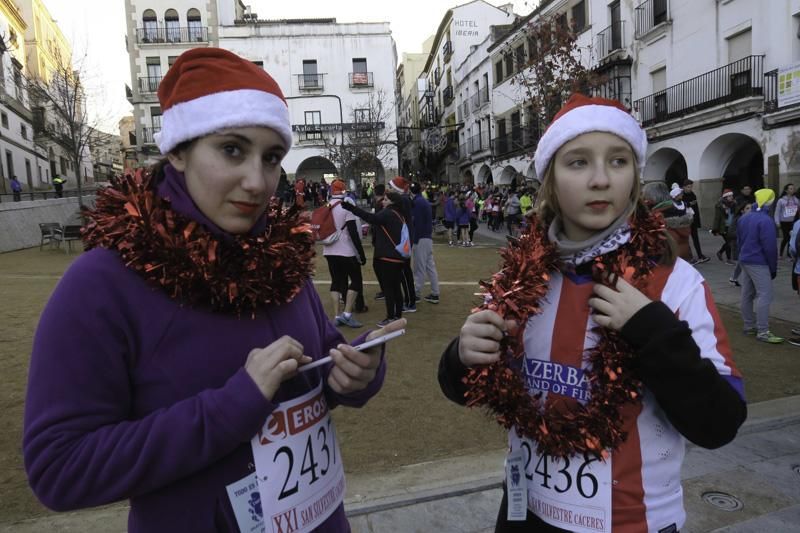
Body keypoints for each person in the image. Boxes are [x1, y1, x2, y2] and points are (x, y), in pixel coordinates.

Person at [23, 48, 404, 533]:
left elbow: (314, 373)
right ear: (178, 150)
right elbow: (60, 468)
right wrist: (232, 405)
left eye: (271, 158)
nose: (257, 181)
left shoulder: (283, 261)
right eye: (232, 150)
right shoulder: (101, 284)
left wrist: (351, 374)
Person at [438, 94, 745, 532]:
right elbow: (464, 389)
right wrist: (460, 355)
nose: (600, 179)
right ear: (550, 181)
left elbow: (719, 423)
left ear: (635, 176)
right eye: (578, 162)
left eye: (618, 161)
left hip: (633, 522)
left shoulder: (677, 283)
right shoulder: (520, 278)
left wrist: (653, 330)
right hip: (527, 515)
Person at [341, 190, 409, 326]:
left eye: (385, 199)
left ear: (392, 202)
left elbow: (370, 218)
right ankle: (398, 316)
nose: (382, 202)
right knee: (396, 287)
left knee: (389, 289)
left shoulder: (387, 213)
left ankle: (390, 317)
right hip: (398, 256)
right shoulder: (398, 214)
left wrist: (351, 208)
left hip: (387, 257)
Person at [737, 188, 783, 343]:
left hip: (745, 259)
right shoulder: (766, 220)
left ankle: (749, 326)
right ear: (770, 201)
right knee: (765, 295)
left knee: (747, 294)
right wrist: (773, 267)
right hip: (759, 261)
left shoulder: (745, 218)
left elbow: (740, 240)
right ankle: (763, 331)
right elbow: (770, 247)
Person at [323, 178, 367, 328]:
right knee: (355, 280)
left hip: (328, 250)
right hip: (346, 250)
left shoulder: (327, 206)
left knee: (336, 281)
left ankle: (337, 315)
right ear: (344, 191)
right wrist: (361, 253)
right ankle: (347, 314)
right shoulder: (346, 207)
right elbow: (354, 233)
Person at [410, 181, 440, 304]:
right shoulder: (423, 201)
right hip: (427, 237)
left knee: (419, 268)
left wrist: (414, 240)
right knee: (430, 267)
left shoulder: (417, 202)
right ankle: (435, 293)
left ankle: (416, 293)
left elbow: (416, 222)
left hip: (420, 238)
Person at [682, 179, 709, 263]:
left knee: (695, 238)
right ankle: (688, 256)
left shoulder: (693, 195)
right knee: (685, 239)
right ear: (684, 187)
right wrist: (689, 204)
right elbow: (680, 206)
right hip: (685, 220)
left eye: (691, 187)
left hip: (693, 219)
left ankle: (700, 255)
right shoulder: (681, 195)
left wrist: (697, 221)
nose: (690, 188)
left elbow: (696, 209)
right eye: (688, 187)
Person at [712, 189, 737, 264]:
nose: (731, 197)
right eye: (729, 196)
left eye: (732, 196)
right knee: (729, 242)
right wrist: (715, 229)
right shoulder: (720, 205)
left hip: (731, 226)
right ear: (725, 197)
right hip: (724, 227)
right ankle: (728, 259)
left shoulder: (734, 204)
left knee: (729, 242)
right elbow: (717, 218)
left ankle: (720, 252)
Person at [774, 183, 799, 257]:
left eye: (793, 188)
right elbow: (777, 212)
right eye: (790, 188)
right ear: (786, 190)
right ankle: (781, 253)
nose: (792, 190)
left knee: (792, 237)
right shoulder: (781, 200)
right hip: (784, 222)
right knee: (786, 237)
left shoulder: (796, 200)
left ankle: (789, 254)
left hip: (793, 222)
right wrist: (777, 222)